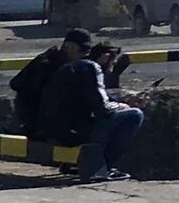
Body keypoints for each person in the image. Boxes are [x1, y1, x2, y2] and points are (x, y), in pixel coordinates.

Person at [37, 35, 145, 180]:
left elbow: (91, 101)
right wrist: (122, 106)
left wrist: (119, 103)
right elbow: (103, 110)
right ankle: (104, 166)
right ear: (106, 58)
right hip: (70, 132)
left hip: (55, 129)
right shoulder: (92, 68)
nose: (112, 69)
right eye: (113, 63)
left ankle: (74, 165)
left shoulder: (76, 67)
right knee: (135, 115)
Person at [12, 29, 90, 136]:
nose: (84, 55)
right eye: (82, 50)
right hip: (40, 124)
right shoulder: (48, 65)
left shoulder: (64, 63)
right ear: (68, 46)